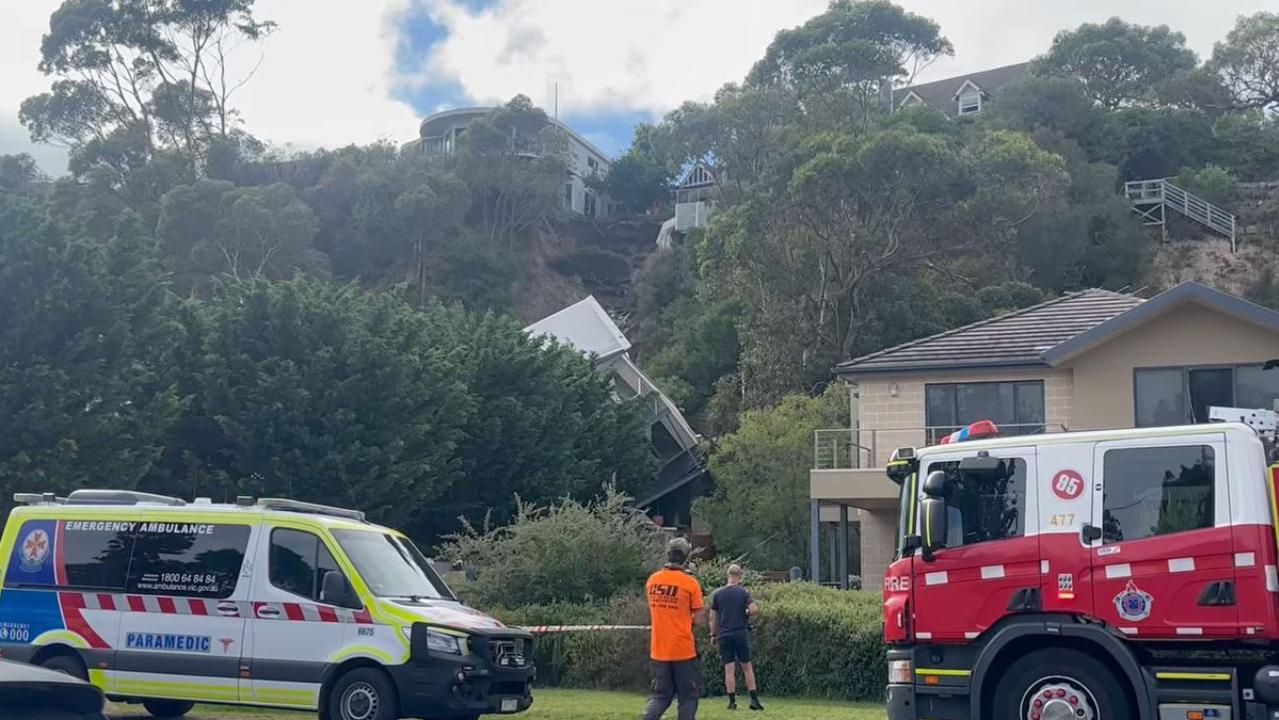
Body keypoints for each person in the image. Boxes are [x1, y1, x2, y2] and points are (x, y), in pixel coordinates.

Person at [642, 537, 706, 720]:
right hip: (683, 651)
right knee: (688, 697)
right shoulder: (690, 583)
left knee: (661, 696)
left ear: (668, 554)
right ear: (686, 558)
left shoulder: (653, 581)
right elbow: (700, 619)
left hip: (658, 650)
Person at [710, 564, 763, 711]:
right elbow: (754, 609)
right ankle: (754, 700)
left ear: (728, 575)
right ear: (739, 577)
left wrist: (713, 634)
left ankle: (732, 702)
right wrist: (745, 611)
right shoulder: (743, 593)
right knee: (747, 667)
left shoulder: (718, 594)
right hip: (740, 632)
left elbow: (713, 617)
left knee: (729, 668)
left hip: (724, 634)